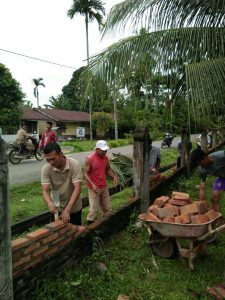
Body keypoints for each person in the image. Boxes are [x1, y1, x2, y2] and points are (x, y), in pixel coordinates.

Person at [41, 142, 82, 225]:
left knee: (75, 232)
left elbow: (77, 188)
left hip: (73, 206)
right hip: (57, 202)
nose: (51, 162)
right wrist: (49, 203)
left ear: (61, 154)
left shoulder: (74, 164)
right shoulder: (46, 168)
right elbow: (45, 190)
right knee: (57, 232)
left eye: (53, 159)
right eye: (47, 160)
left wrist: (68, 209)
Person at [84, 140, 118, 225]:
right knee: (93, 211)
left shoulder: (105, 157)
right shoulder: (90, 159)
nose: (105, 152)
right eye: (103, 150)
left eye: (106, 150)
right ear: (97, 149)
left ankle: (105, 225)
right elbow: (85, 173)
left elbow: (107, 169)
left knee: (108, 209)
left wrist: (113, 177)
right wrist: (92, 184)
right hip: (93, 188)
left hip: (104, 186)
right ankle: (89, 230)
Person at [190, 148, 225, 212]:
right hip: (223, 178)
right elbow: (202, 188)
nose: (200, 165)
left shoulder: (221, 156)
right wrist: (200, 204)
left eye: (201, 162)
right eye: (198, 164)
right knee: (214, 198)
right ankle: (220, 221)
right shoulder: (202, 169)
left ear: (205, 157)